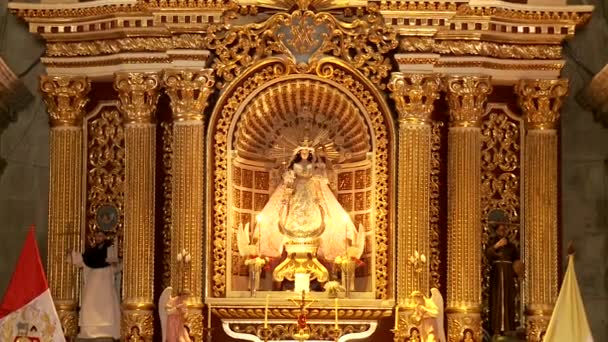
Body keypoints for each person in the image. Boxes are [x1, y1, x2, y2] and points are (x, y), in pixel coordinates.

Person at [255, 142, 357, 262]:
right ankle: (294, 231)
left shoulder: (312, 164)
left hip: (310, 187)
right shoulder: (296, 165)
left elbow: (321, 176)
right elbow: (288, 178)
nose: (304, 154)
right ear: (299, 153)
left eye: (307, 152)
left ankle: (311, 231)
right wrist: (288, 181)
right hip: (297, 188)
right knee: (295, 209)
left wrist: (318, 168)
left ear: (309, 153)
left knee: (314, 209)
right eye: (302, 152)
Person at [71, 230, 121, 340]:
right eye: (97, 236)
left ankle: (106, 331)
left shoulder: (109, 249)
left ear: (104, 237)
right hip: (93, 280)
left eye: (101, 235)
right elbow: (83, 261)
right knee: (89, 302)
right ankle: (89, 331)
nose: (99, 238)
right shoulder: (91, 251)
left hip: (105, 280)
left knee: (106, 304)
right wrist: (73, 254)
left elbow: (116, 266)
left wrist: (114, 264)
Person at [486, 224, 522, 336]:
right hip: (496, 274)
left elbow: (517, 261)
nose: (502, 231)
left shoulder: (511, 246)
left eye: (504, 229)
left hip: (508, 275)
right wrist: (496, 246)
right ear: (496, 231)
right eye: (500, 229)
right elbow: (487, 254)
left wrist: (518, 271)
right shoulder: (492, 243)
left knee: (508, 298)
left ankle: (508, 327)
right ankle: (495, 328)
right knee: (497, 298)